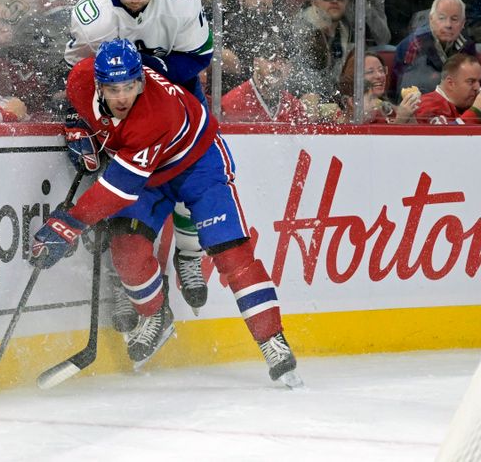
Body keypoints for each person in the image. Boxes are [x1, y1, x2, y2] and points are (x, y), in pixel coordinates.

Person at [32, 39, 303, 387]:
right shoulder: (81, 78)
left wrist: (68, 224)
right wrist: (78, 124)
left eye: (130, 86)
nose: (122, 98)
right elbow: (76, 103)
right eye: (113, 89)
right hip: (148, 172)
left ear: (141, 82)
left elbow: (118, 190)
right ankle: (156, 314)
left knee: (231, 253)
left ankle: (272, 340)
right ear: (98, 84)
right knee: (126, 249)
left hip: (197, 164)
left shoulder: (152, 116)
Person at [65, 0, 214, 323]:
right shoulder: (92, 11)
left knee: (189, 168)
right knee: (121, 190)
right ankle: (122, 282)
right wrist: (80, 120)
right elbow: (79, 72)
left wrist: (151, 75)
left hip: (176, 90)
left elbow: (200, 56)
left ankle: (189, 252)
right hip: (118, 102)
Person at [222, 0, 291, 92]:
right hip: (236, 93)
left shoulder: (281, 24)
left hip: (275, 93)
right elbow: (235, 65)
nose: (261, 0)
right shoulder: (228, 25)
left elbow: (291, 65)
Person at [394, 0, 476, 97]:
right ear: (431, 20)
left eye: (454, 19)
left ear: (463, 23)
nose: (448, 25)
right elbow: (405, 88)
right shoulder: (415, 44)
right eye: (442, 18)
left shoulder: (467, 45)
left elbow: (472, 83)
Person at [221, 36, 309, 124]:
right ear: (256, 63)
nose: (277, 67)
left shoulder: (295, 108)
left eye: (283, 62)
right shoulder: (231, 104)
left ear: (290, 69)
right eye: (271, 59)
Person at [292, 0, 352, 100]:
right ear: (314, 2)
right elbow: (297, 78)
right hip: (304, 100)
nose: (334, 1)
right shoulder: (299, 31)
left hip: (334, 100)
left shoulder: (348, 30)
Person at [414, 52, 481, 123]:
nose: (477, 87)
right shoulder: (427, 105)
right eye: (471, 81)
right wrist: (475, 112)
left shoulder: (476, 106)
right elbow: (445, 140)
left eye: (479, 82)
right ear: (451, 83)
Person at [338, 50, 420, 123]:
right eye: (370, 72)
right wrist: (400, 120)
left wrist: (409, 116)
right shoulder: (338, 118)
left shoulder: (389, 110)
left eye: (381, 70)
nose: (379, 76)